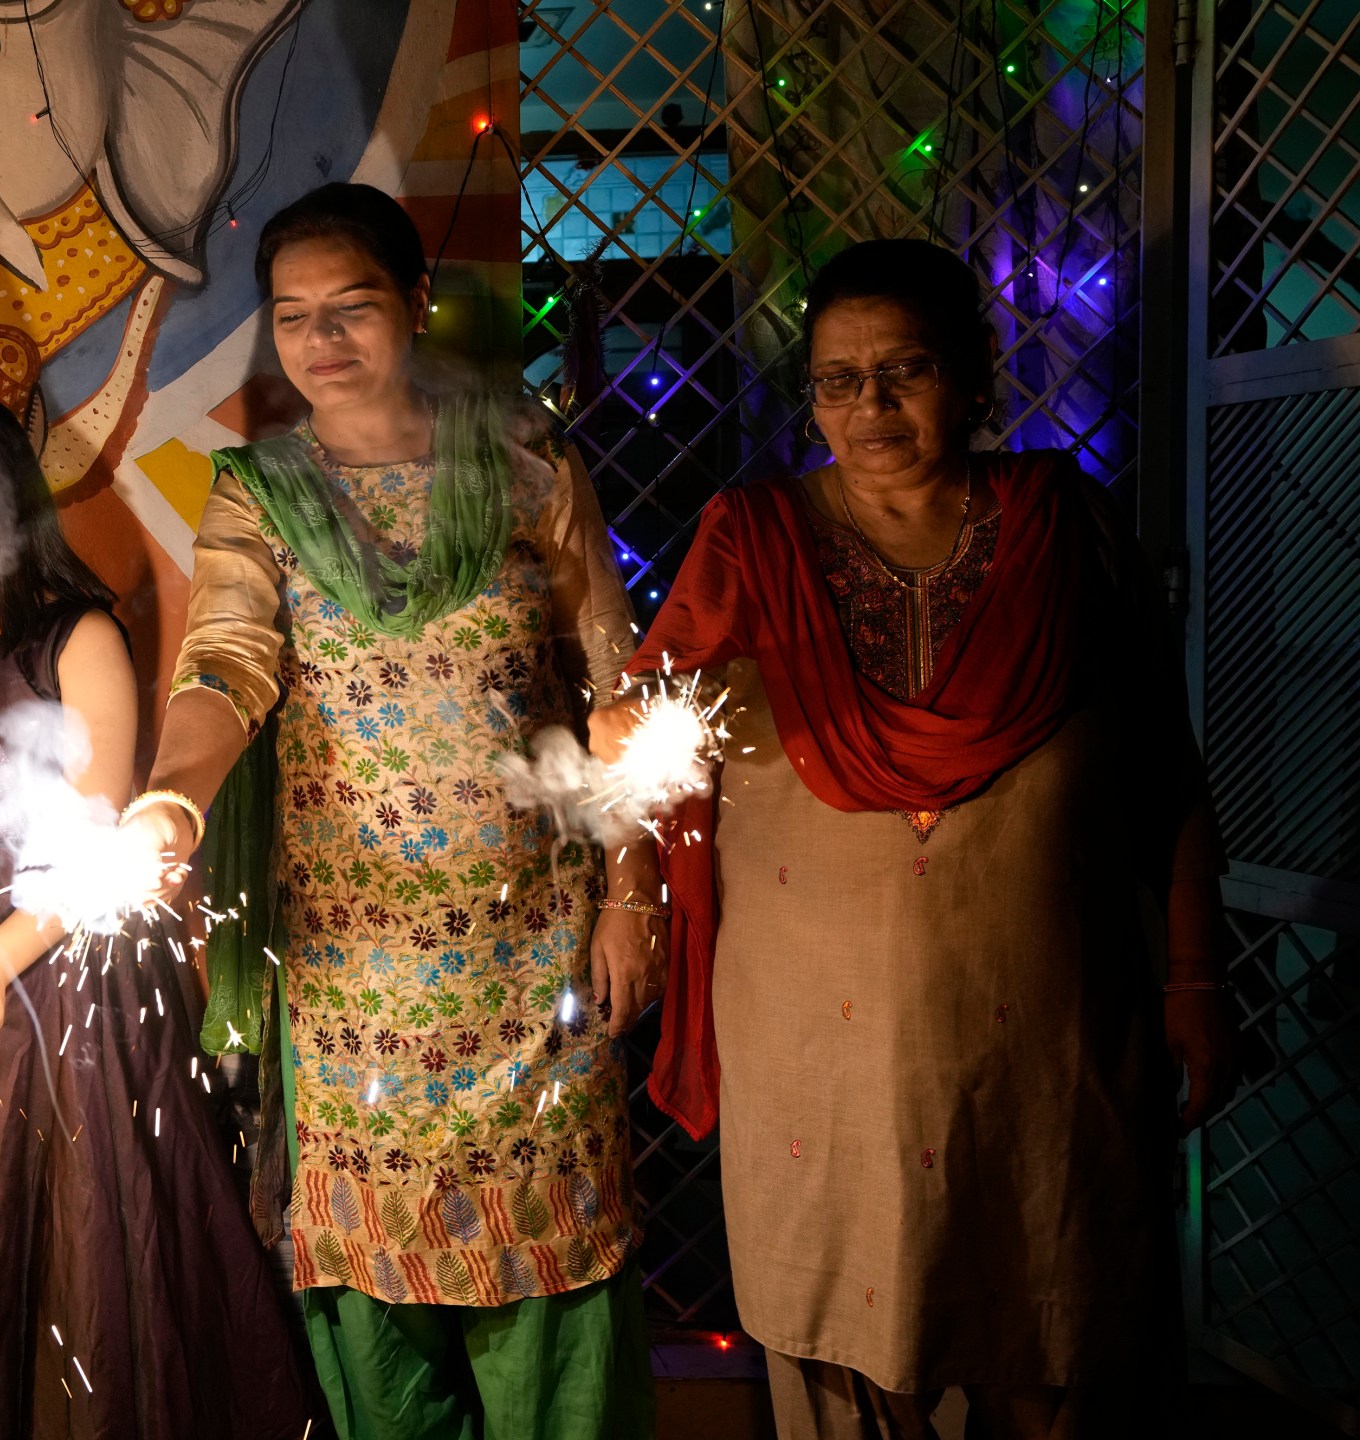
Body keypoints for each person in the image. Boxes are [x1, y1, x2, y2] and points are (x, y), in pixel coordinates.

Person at [599, 237, 1238, 1440]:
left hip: (1048, 1029)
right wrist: (626, 777)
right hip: (815, 1041)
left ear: (975, 377)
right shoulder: (751, 537)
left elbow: (1164, 769)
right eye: (837, 380)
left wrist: (1198, 977)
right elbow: (650, 753)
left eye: (905, 370)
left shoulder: (1065, 524)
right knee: (849, 1333)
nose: (869, 406)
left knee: (1055, 1315)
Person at [117, 181, 658, 1439]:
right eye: (293, 317)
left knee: (554, 1289)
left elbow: (617, 690)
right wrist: (169, 801)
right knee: (377, 1311)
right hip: (354, 979)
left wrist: (634, 898)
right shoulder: (260, 491)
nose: (321, 342)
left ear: (415, 303)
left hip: (538, 958)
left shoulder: (528, 464)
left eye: (351, 308)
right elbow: (223, 667)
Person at [0, 363, 312, 1439]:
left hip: (67, 979)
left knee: (79, 1247)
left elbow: (97, 835)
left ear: (13, 505)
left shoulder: (78, 636)